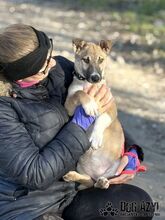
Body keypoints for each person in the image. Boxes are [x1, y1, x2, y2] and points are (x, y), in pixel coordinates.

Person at [0, 24, 154, 220]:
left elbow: (104, 113)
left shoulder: (61, 69)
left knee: (138, 205)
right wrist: (79, 126)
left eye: (50, 55)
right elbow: (35, 174)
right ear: (24, 72)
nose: (53, 64)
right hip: (29, 206)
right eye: (45, 63)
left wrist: (129, 151)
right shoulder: (4, 110)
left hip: (71, 192)